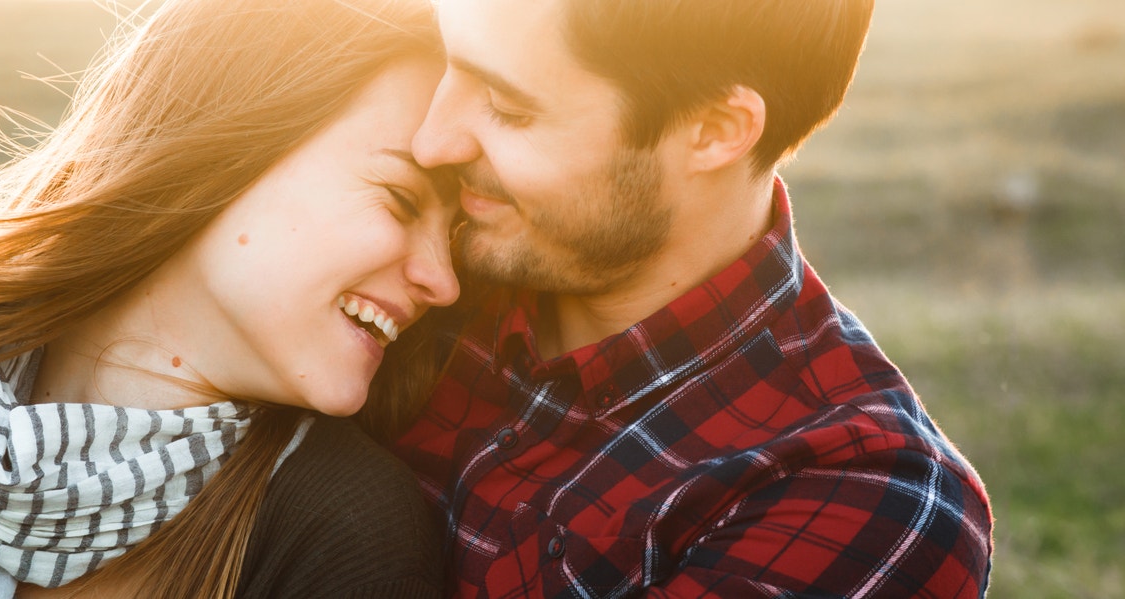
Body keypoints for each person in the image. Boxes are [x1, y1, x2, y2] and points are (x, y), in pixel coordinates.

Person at [364, 0, 990, 596]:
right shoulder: (387, 259)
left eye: (507, 107)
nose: (433, 143)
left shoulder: (867, 495)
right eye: (443, 62)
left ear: (716, 131)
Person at [0, 0, 457, 597]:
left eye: (457, 241)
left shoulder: (346, 531)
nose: (444, 281)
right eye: (402, 200)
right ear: (228, 144)